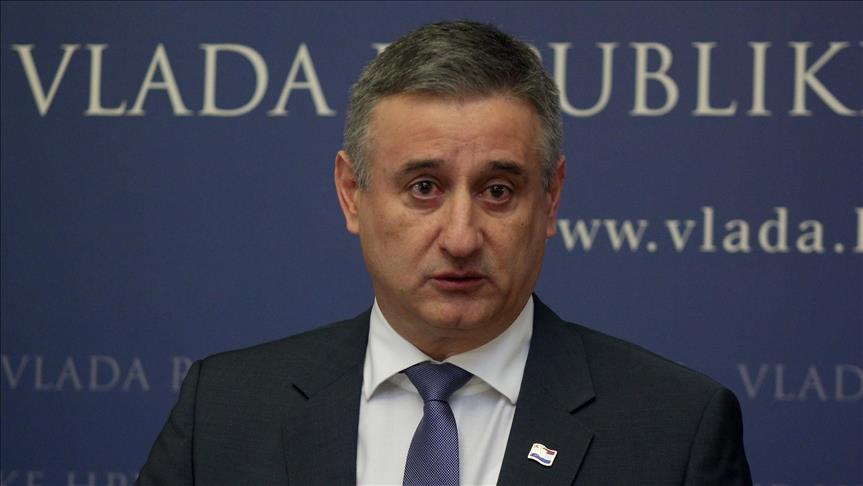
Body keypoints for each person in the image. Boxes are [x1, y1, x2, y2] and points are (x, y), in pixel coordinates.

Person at [137, 21, 752, 485]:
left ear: (551, 199)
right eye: (424, 187)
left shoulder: (676, 429)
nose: (461, 237)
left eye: (498, 190)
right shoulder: (224, 411)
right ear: (352, 194)